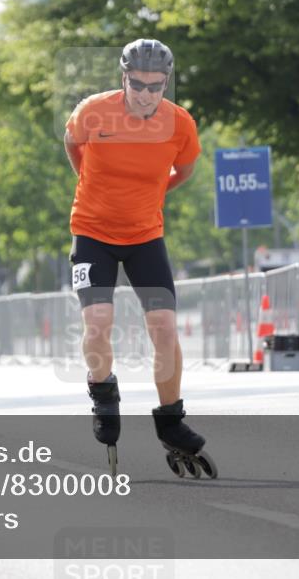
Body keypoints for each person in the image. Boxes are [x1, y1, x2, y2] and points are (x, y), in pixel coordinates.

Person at [63, 38, 216, 478]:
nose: (147, 95)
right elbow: (73, 144)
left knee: (164, 327)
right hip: (92, 233)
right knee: (98, 322)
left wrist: (151, 194)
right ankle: (102, 392)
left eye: (156, 86)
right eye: (138, 85)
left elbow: (185, 169)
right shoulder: (93, 111)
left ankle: (171, 421)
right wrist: (92, 183)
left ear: (166, 83)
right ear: (124, 78)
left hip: (146, 235)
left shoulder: (179, 123)